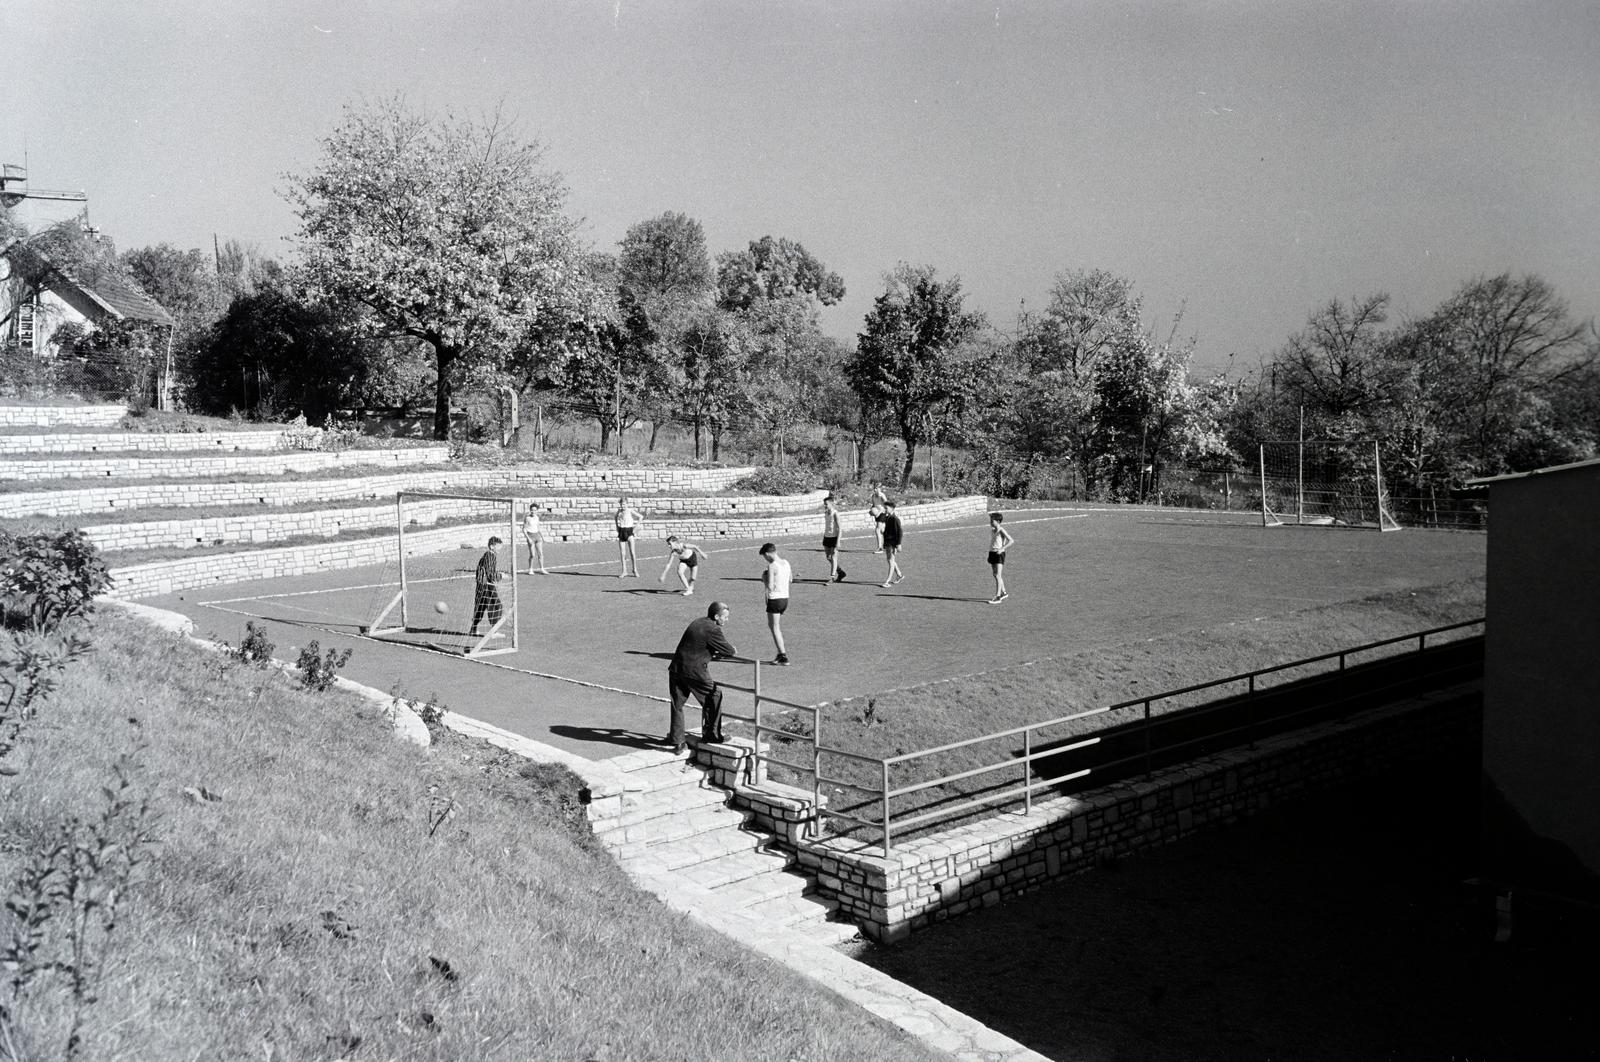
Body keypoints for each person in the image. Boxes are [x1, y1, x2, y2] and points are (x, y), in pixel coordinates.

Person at [665, 600, 737, 754]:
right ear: (717, 616)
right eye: (725, 617)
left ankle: (678, 741)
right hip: (695, 671)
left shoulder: (697, 622)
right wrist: (732, 650)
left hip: (677, 667)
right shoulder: (713, 629)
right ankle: (712, 735)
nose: (727, 620)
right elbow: (728, 650)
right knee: (715, 696)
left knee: (677, 705)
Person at [758, 541, 791, 665]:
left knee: (774, 628)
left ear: (767, 554)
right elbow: (791, 579)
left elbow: (770, 586)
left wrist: (764, 579)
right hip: (785, 599)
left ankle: (783, 655)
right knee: (776, 627)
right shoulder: (786, 563)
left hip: (775, 599)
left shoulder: (772, 566)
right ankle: (779, 653)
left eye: (765, 557)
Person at [469, 536, 505, 636]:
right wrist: (501, 576)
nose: (500, 549)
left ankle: (473, 629)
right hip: (487, 586)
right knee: (496, 605)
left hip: (481, 585)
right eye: (498, 547)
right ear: (492, 546)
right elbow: (490, 573)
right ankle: (494, 631)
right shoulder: (490, 556)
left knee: (480, 607)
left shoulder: (487, 555)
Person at [986, 511, 1015, 604]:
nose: (990, 522)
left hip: (999, 554)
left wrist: (1002, 549)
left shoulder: (1001, 530)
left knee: (998, 575)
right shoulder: (992, 530)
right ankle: (1004, 593)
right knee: (995, 574)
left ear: (998, 521)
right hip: (992, 553)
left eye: (992, 520)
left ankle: (998, 597)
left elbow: (1011, 541)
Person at [821, 494, 847, 584]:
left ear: (831, 504)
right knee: (828, 557)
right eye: (824, 504)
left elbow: (840, 528)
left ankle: (832, 577)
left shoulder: (835, 514)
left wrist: (838, 541)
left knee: (833, 556)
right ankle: (840, 572)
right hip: (826, 537)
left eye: (826, 504)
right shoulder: (826, 513)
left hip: (834, 538)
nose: (824, 506)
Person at [614, 496, 642, 578]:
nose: (623, 506)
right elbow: (615, 517)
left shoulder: (630, 511)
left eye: (624, 504)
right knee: (623, 554)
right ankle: (624, 571)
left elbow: (641, 517)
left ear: (627, 504)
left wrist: (635, 527)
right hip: (622, 531)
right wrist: (617, 526)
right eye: (622, 504)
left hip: (629, 531)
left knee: (632, 553)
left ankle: (635, 570)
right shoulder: (619, 511)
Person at [879, 501, 904, 588]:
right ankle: (899, 575)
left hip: (893, 543)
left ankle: (887, 581)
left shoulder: (895, 519)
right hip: (888, 542)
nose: (885, 509)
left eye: (886, 508)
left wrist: (899, 544)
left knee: (890, 561)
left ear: (892, 509)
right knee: (890, 560)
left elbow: (900, 532)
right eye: (885, 508)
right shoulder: (887, 517)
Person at [521, 501, 548, 575]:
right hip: (530, 536)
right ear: (530, 510)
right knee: (532, 554)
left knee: (540, 553)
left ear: (537, 511)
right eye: (532, 510)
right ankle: (530, 569)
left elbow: (538, 528)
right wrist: (528, 538)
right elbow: (524, 529)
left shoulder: (537, 518)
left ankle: (542, 568)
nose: (533, 511)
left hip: (537, 536)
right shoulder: (527, 518)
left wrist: (543, 537)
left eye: (535, 510)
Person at [868, 482, 889, 553]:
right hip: (877, 514)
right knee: (882, 530)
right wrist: (871, 511)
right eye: (874, 488)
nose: (875, 490)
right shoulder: (873, 496)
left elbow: (887, 506)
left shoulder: (882, 496)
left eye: (876, 488)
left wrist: (880, 512)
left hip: (882, 513)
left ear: (879, 489)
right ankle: (888, 543)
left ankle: (880, 548)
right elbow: (874, 505)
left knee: (877, 530)